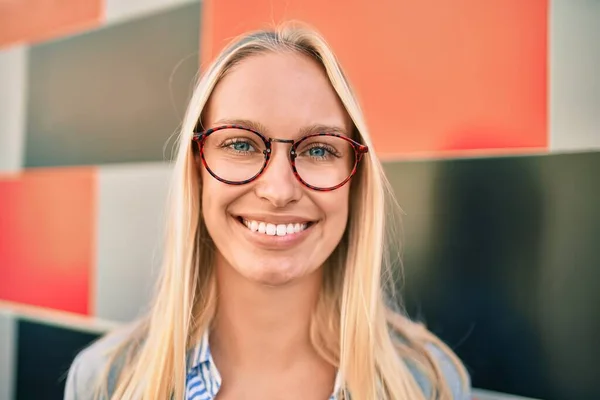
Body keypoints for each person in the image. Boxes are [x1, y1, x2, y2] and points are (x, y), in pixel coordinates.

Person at [64, 22, 471, 400]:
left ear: (355, 177)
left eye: (318, 149)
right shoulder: (105, 381)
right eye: (240, 144)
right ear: (196, 167)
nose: (278, 191)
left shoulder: (429, 383)